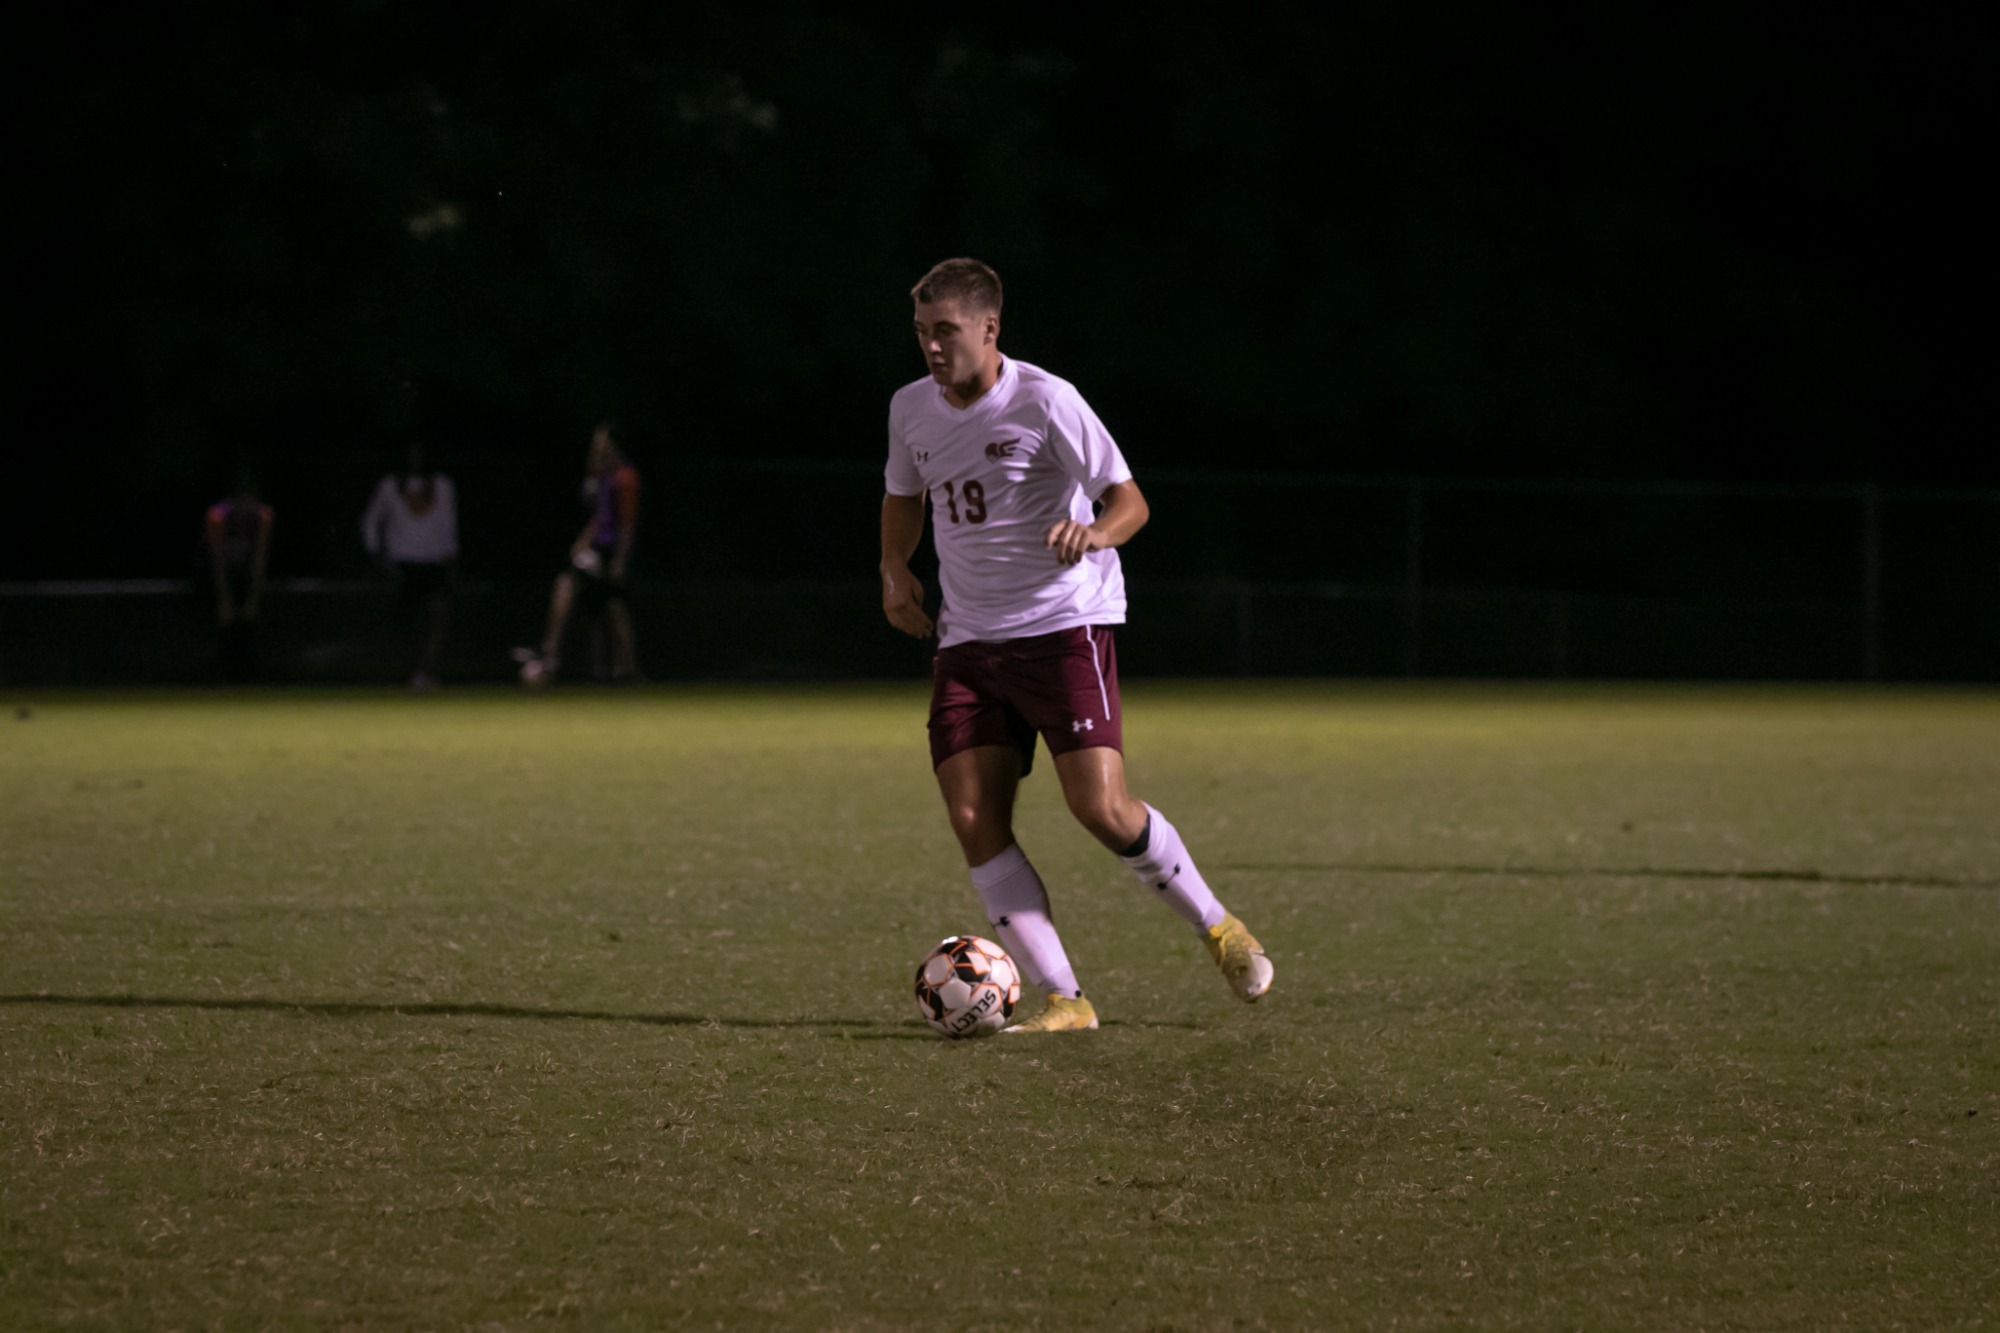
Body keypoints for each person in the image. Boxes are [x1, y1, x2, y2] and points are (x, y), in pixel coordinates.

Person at [879, 257, 1273, 1033]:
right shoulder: (910, 407)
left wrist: (1094, 533)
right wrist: (894, 568)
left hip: (1063, 626)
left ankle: (1219, 927)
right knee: (972, 814)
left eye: (946, 331)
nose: (932, 347)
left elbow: (1130, 502)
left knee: (1100, 807)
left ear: (990, 327)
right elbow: (903, 496)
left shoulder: (1046, 399)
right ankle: (1066, 997)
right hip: (968, 638)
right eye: (922, 332)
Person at [515, 422, 641, 688]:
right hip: (597, 551)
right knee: (600, 605)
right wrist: (582, 542)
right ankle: (607, 668)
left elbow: (627, 523)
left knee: (608, 604)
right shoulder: (603, 476)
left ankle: (553, 656)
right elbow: (598, 517)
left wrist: (620, 559)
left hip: (610, 552)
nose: (598, 447)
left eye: (603, 442)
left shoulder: (625, 476)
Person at [362, 443, 460, 690]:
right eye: (411, 453)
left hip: (435, 563)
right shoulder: (390, 485)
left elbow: (449, 523)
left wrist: (451, 558)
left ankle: (426, 671)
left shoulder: (443, 485)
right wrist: (377, 555)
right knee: (410, 621)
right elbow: (371, 521)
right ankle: (406, 672)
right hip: (402, 564)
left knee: (438, 616)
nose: (417, 459)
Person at [204, 473, 273, 681]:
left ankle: (254, 674)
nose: (248, 507)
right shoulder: (217, 516)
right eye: (244, 501)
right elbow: (216, 561)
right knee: (224, 617)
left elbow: (259, 558)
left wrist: (253, 598)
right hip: (217, 574)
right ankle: (218, 674)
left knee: (250, 617)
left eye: (252, 501)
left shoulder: (262, 516)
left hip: (245, 574)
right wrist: (224, 599)